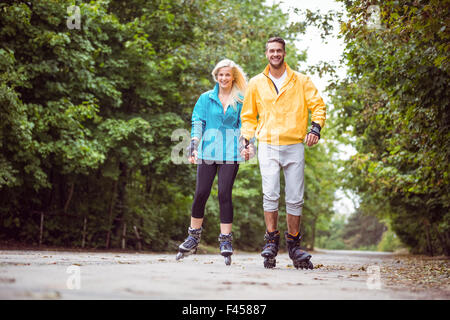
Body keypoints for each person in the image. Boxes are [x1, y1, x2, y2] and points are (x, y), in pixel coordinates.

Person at [240, 37, 326, 269]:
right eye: (271, 51)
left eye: (279, 50)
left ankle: (294, 246)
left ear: (284, 53)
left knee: (295, 197)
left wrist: (315, 128)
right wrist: (246, 139)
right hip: (268, 143)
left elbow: (317, 105)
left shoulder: (301, 80)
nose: (275, 54)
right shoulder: (256, 83)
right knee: (270, 194)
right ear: (266, 54)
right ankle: (270, 242)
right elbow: (248, 116)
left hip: (294, 143)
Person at [176, 59, 247, 265]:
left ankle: (225, 240)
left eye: (227, 75)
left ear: (233, 77)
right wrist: (194, 143)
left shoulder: (241, 99)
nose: (224, 78)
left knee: (224, 193)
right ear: (216, 76)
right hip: (208, 151)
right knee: (201, 193)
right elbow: (198, 121)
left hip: (231, 153)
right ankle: (193, 237)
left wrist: (245, 144)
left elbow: (245, 124)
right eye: (220, 75)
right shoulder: (205, 98)